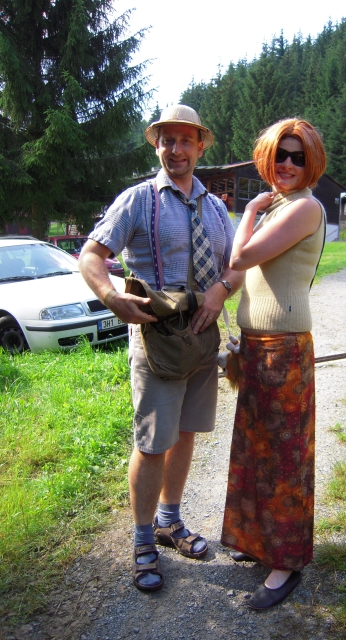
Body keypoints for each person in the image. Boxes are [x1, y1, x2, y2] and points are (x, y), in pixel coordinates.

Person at [79, 105, 243, 592]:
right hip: (156, 341)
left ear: (200, 146)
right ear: (157, 147)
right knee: (152, 444)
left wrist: (221, 291)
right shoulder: (138, 200)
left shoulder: (216, 208)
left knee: (186, 433)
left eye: (185, 140)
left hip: (202, 339)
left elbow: (235, 265)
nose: (176, 149)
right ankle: (143, 538)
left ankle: (170, 521)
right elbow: (91, 254)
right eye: (167, 140)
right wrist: (111, 297)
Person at [221, 118, 327, 610]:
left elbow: (240, 257)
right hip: (257, 344)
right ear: (267, 156)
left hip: (283, 350)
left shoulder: (304, 207)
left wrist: (247, 210)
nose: (287, 163)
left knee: (284, 460)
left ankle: (285, 562)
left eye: (297, 157)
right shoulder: (280, 205)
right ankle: (258, 541)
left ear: (311, 164)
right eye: (280, 154)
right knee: (256, 450)